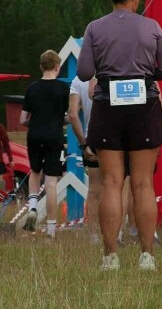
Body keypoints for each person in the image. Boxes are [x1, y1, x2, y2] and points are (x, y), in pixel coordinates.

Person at [76, 0, 162, 270]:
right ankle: (146, 255)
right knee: (143, 183)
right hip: (144, 104)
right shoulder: (152, 26)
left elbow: (83, 72)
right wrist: (143, 76)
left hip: (107, 105)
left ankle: (110, 256)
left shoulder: (95, 28)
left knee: (110, 182)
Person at [21, 50, 71, 238]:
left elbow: (23, 118)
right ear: (57, 67)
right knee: (51, 182)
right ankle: (51, 230)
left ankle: (33, 207)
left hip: (34, 135)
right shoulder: (63, 89)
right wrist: (61, 120)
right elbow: (66, 116)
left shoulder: (32, 88)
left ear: (41, 67)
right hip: (54, 136)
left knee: (35, 173)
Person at [68, 74, 100, 243]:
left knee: (94, 189)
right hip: (115, 139)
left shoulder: (77, 80)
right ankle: (118, 233)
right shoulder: (115, 70)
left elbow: (73, 114)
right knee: (118, 186)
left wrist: (83, 144)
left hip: (92, 138)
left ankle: (93, 235)